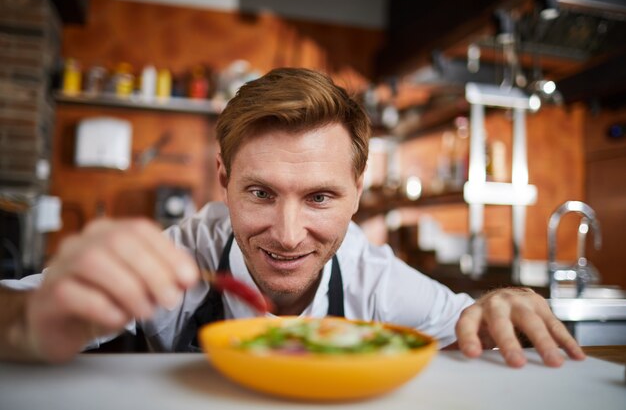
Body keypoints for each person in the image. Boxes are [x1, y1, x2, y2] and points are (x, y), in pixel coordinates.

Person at [0, 67, 584, 367]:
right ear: (223, 181)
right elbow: (15, 308)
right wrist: (31, 318)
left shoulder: (374, 279)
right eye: (260, 193)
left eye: (320, 198)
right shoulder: (180, 261)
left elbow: (475, 328)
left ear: (358, 192)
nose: (285, 235)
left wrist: (503, 305)